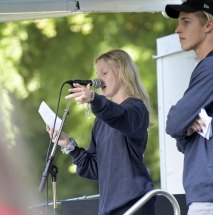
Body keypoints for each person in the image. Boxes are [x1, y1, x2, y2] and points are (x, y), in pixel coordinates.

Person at [46, 49, 156, 215]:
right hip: (109, 207)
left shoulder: (136, 107)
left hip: (134, 202)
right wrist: (68, 144)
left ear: (123, 72)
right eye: (97, 73)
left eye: (104, 72)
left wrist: (94, 99)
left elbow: (121, 117)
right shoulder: (101, 120)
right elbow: (96, 168)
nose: (98, 79)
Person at [165, 0, 213, 214]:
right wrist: (186, 130)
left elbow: (174, 122)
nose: (178, 29)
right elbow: (183, 143)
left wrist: (183, 128)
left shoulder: (210, 68)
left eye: (186, 21)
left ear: (208, 25)